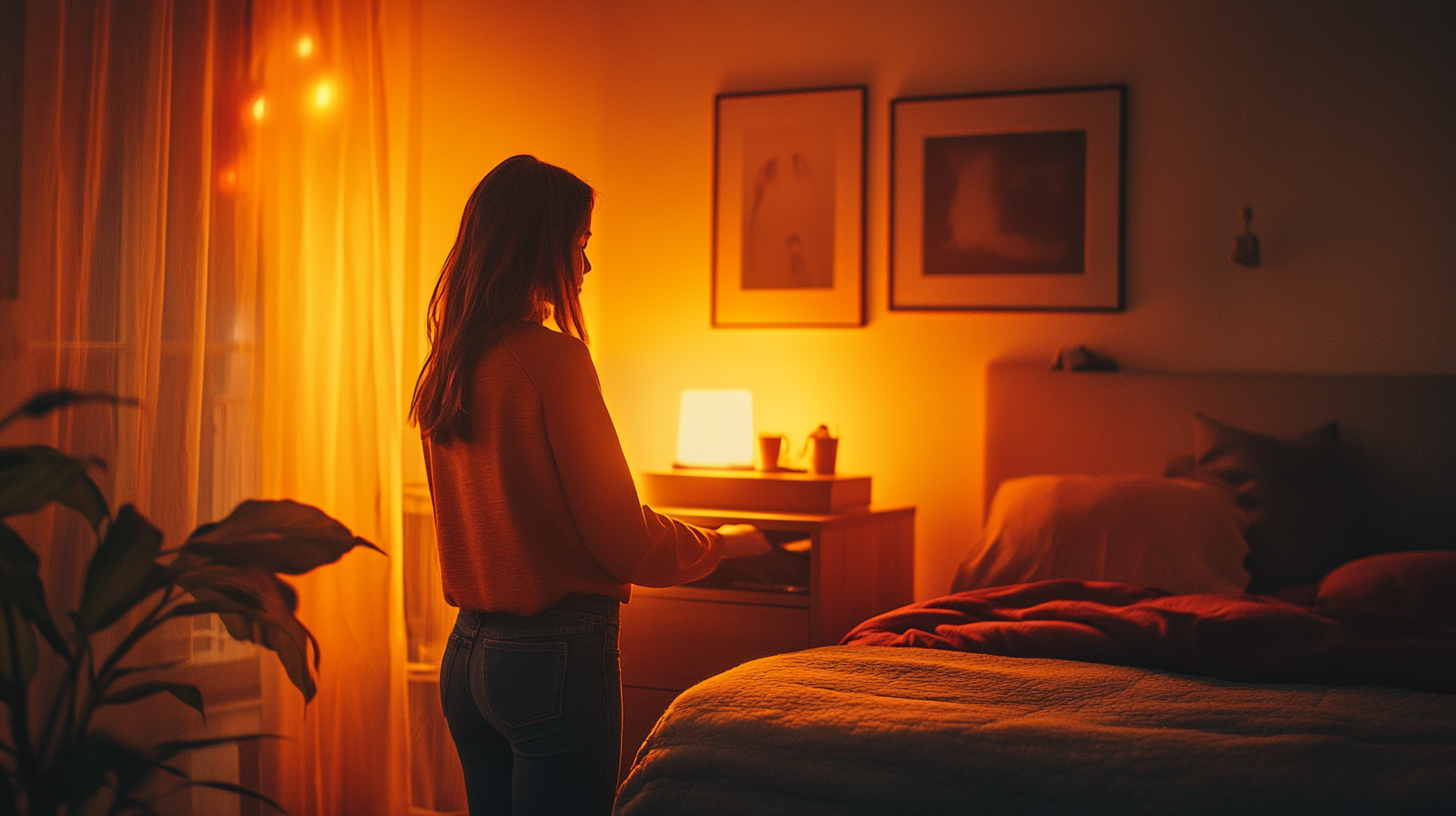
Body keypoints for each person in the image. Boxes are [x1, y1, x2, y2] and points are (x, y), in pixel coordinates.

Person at [410, 155, 770, 816]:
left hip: (467, 657)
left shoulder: (451, 366)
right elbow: (623, 540)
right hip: (553, 658)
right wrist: (722, 544)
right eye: (579, 246)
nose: (586, 266)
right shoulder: (553, 362)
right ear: (538, 249)